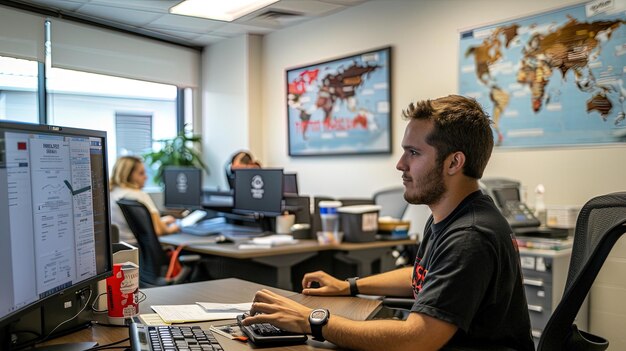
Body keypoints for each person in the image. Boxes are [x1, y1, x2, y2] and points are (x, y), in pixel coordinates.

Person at [242, 95, 534, 351]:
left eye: (414, 153)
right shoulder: (453, 216)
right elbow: (423, 275)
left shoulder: (470, 235)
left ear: (454, 163)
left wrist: (310, 321)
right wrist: (348, 286)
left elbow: (416, 339)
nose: (401, 164)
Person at [110, 156, 179, 244]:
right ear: (128, 174)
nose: (146, 177)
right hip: (138, 248)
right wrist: (174, 228)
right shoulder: (139, 195)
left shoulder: (111, 192)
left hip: (122, 248)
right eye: (141, 173)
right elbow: (158, 230)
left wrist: (163, 221)